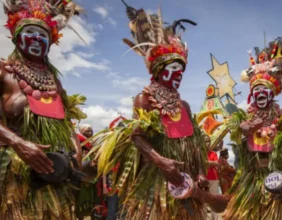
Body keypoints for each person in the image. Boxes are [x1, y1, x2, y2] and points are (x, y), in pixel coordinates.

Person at [88, 2, 228, 219]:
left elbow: (196, 143)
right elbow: (136, 136)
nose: (179, 74)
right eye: (173, 68)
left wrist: (200, 172)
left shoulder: (184, 106)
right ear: (157, 70)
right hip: (157, 182)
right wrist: (161, 161)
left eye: (181, 69)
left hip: (188, 182)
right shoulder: (144, 99)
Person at [0, 0, 85, 219]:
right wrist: (18, 143)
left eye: (44, 34)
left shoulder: (54, 82)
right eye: (30, 31)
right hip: (13, 176)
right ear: (17, 35)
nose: (38, 37)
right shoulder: (3, 72)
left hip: (54, 171)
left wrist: (77, 155)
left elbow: (65, 123)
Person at [224, 30, 282, 219]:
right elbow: (242, 130)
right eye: (257, 90)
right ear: (252, 94)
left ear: (272, 93)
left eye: (265, 90)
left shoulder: (280, 118)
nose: (261, 94)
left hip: (277, 173)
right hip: (253, 175)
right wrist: (250, 126)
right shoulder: (244, 115)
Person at [76, 124, 97, 219]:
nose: (89, 133)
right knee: (80, 201)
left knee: (93, 201)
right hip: (81, 178)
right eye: (87, 131)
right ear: (81, 132)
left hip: (93, 178)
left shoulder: (95, 144)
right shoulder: (77, 144)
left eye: (91, 131)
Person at [205, 135, 220, 220]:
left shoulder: (213, 153)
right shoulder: (199, 153)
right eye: (205, 141)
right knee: (203, 200)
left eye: (208, 142)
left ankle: (215, 219)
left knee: (214, 200)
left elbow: (217, 163)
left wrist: (207, 162)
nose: (207, 143)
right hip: (203, 179)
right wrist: (211, 163)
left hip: (213, 179)